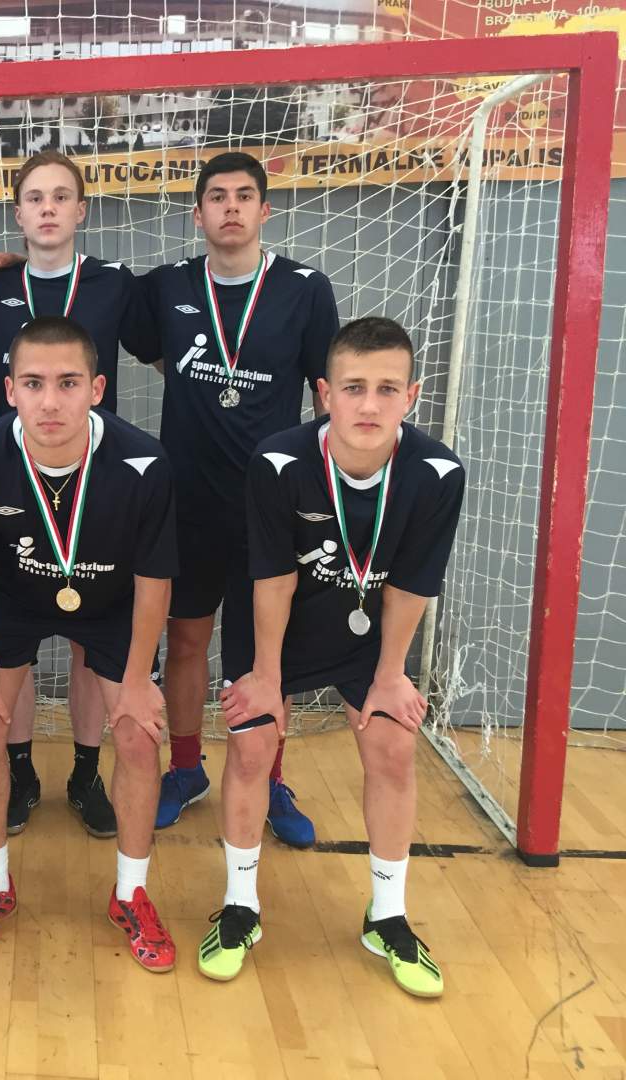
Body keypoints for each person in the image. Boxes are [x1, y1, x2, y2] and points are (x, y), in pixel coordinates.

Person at [201, 316, 462, 999]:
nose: (369, 404)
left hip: (369, 632)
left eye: (387, 389)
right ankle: (239, 907)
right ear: (324, 393)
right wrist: (266, 676)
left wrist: (391, 674)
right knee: (252, 745)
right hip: (277, 624)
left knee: (394, 747)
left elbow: (411, 585)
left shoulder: (438, 474)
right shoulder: (278, 462)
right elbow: (272, 577)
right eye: (353, 387)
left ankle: (387, 916)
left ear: (411, 395)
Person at [0, 316, 178, 963]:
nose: (50, 401)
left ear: (97, 388)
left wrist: (138, 682)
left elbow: (155, 582)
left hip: (111, 603)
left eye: (68, 383)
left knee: (138, 734)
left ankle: (131, 894)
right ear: (9, 390)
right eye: (34, 383)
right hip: (11, 600)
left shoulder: (144, 463)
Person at [137, 151, 339, 848]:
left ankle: (269, 776)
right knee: (187, 638)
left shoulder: (305, 290)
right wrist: (16, 266)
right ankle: (186, 769)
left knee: (266, 653)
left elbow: (325, 393)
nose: (231, 207)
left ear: (264, 210)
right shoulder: (167, 285)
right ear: (197, 213)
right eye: (217, 196)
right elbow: (98, 304)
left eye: (244, 195)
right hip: (190, 498)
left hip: (270, 505)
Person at [0, 150, 153, 839]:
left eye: (61, 196)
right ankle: (19, 771)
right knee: (11, 640)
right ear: (18, 213)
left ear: (81, 210)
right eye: (35, 197)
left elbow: (160, 351)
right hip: (14, 484)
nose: (48, 208)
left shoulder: (114, 284)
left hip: (95, 482)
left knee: (87, 642)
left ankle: (84, 771)